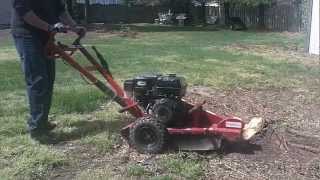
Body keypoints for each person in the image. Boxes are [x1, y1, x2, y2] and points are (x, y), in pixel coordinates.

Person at [11, 0, 86, 137]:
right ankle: (37, 129)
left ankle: (42, 121)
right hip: (27, 34)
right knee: (38, 80)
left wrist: (75, 28)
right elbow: (25, 13)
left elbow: (61, 11)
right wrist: (50, 27)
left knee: (48, 78)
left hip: (46, 35)